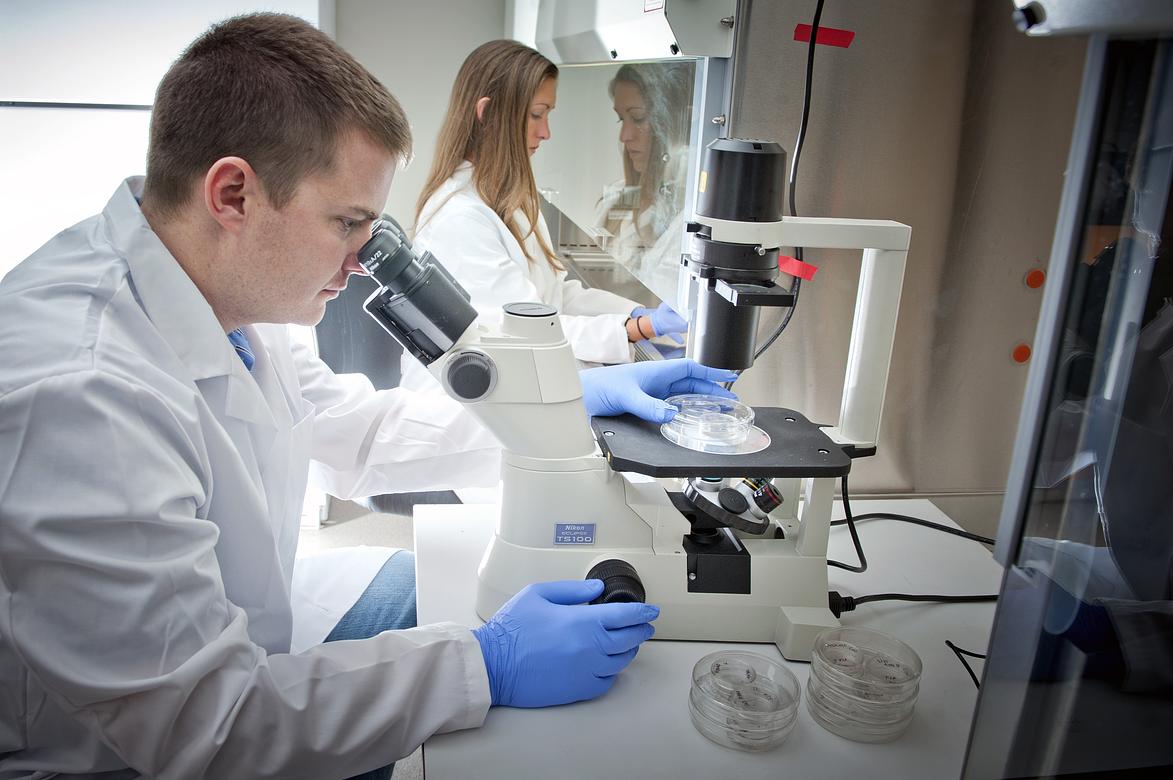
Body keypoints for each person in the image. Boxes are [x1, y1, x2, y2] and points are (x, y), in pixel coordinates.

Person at [0, 15, 738, 779]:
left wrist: (565, 408)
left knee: (432, 588)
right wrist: (482, 667)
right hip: (101, 757)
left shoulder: (224, 295)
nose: (362, 261)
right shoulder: (83, 396)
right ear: (232, 194)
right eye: (347, 223)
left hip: (238, 635)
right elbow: (206, 726)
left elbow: (355, 433)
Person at [406, 39, 686, 378]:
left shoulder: (509, 200)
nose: (546, 132)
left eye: (548, 115)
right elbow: (529, 331)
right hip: (470, 413)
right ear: (488, 114)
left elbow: (553, 298)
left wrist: (636, 314)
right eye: (536, 115)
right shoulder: (459, 218)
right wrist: (637, 329)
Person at [597, 62, 695, 294]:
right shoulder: (617, 197)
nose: (624, 136)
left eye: (638, 118)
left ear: (672, 122)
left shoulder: (688, 216)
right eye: (622, 119)